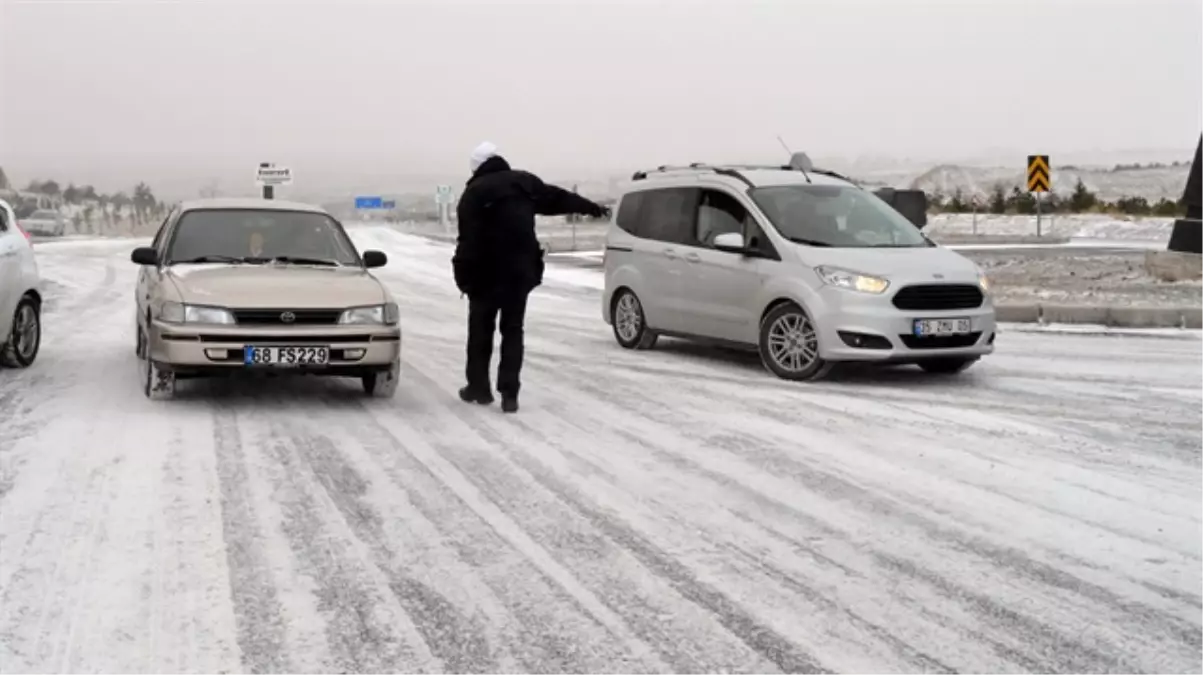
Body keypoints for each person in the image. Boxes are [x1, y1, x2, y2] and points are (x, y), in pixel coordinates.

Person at [452, 141, 610, 413]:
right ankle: (509, 394)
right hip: (519, 271)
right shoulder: (524, 183)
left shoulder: (473, 194)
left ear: (476, 167)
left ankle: (479, 388)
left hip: (485, 274)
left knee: (480, 331)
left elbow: (467, 242)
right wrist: (592, 208)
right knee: (513, 330)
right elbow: (559, 198)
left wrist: (463, 276)